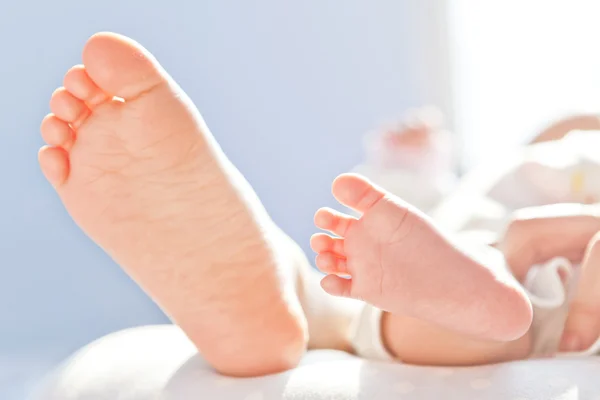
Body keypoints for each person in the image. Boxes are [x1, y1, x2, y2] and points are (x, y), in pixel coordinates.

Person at [37, 32, 533, 376]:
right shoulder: (493, 187)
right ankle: (262, 299)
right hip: (434, 268)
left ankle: (471, 305)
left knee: (461, 291)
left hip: (497, 267)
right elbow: (415, 214)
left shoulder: (549, 186)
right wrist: (409, 164)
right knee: (359, 289)